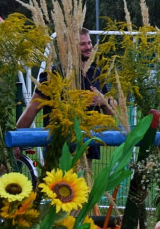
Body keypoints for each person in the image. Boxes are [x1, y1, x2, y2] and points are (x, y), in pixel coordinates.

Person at [16, 28, 113, 160]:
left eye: (89, 43)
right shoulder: (54, 74)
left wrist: (103, 101)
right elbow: (32, 110)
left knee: (84, 181)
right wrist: (16, 139)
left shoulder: (96, 73)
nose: (88, 47)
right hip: (59, 148)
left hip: (88, 147)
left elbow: (111, 113)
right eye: (82, 44)